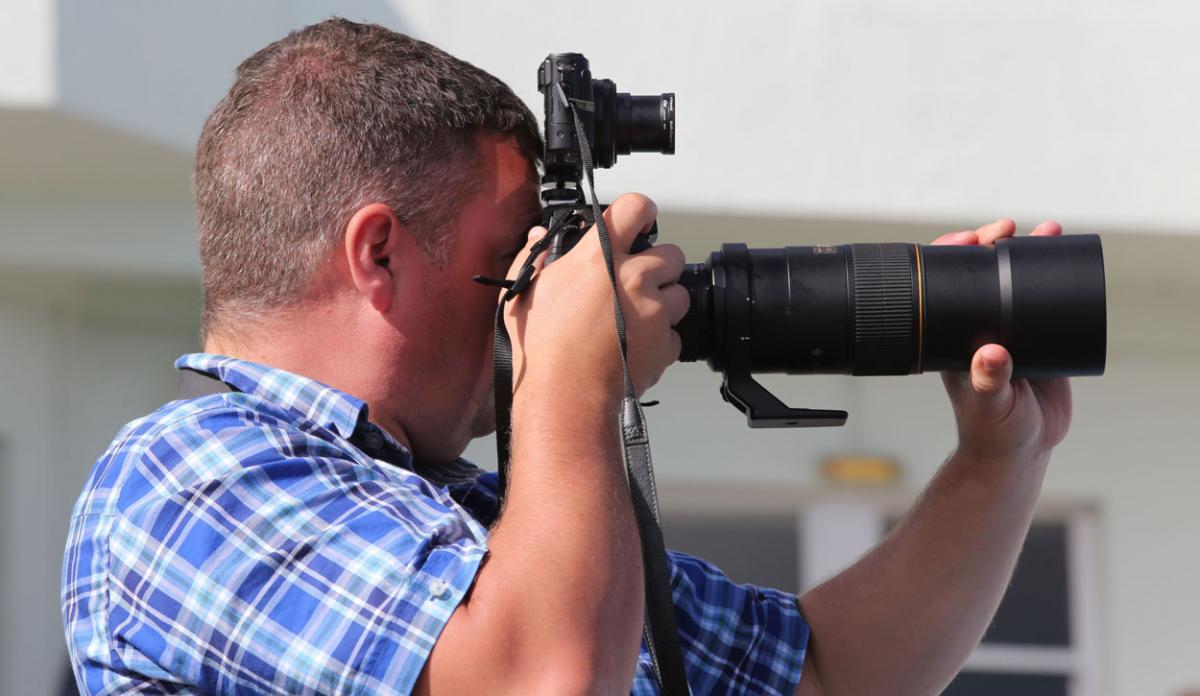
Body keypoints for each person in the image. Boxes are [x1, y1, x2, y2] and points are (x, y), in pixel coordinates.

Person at [61, 18, 1073, 696]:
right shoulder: (188, 475)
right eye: (513, 259)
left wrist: (1000, 461)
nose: (537, 298)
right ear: (379, 254)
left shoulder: (495, 518)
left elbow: (826, 675)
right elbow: (542, 681)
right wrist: (573, 378)